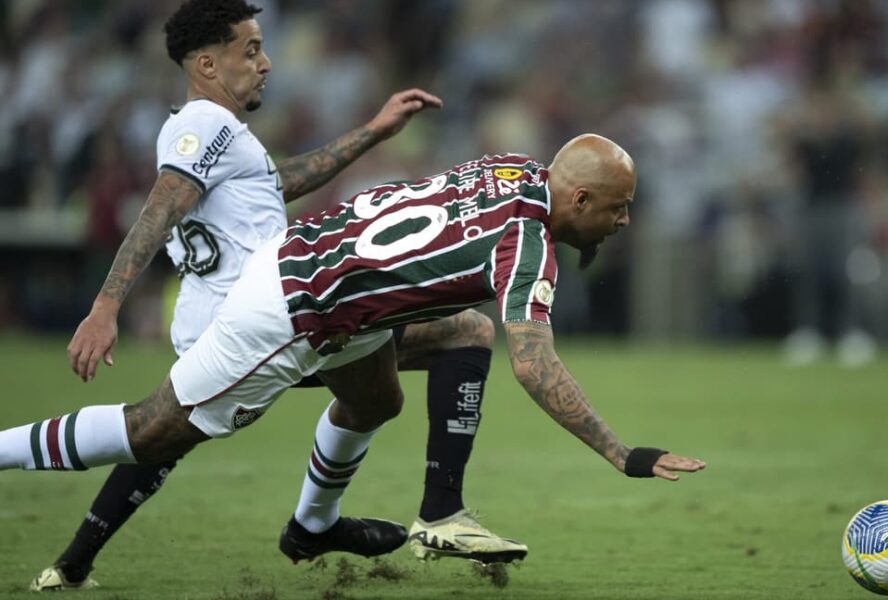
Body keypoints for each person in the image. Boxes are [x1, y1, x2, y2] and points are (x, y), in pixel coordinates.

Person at [0, 132, 707, 573]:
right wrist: (621, 453)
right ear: (577, 198)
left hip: (323, 273)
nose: (624, 221)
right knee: (149, 430)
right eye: (616, 208)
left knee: (431, 358)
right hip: (291, 313)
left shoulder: (515, 169)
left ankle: (374, 520)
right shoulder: (528, 246)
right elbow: (536, 365)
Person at [25, 0, 522, 591]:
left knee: (375, 396)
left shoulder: (223, 134)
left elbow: (276, 183)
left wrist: (371, 132)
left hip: (272, 303)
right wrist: (105, 307)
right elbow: (159, 209)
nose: (266, 63)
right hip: (256, 314)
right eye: (251, 49)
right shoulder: (201, 123)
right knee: (154, 432)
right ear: (208, 64)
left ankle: (85, 561)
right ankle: (390, 515)